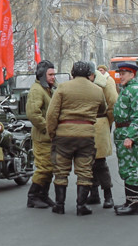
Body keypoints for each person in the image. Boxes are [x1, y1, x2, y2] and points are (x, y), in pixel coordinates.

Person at [45, 61, 107, 216]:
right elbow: (102, 110)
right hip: (86, 135)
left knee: (61, 170)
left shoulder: (63, 88)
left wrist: (52, 133)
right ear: (89, 74)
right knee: (85, 170)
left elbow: (52, 114)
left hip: (64, 135)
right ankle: (81, 206)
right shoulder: (97, 90)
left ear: (72, 73)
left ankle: (59, 205)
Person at [112, 62, 138, 216]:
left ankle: (134, 206)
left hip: (128, 135)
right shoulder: (127, 89)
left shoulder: (136, 90)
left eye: (124, 74)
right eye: (120, 74)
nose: (121, 77)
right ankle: (129, 202)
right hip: (122, 133)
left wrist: (130, 137)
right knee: (126, 170)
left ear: (132, 74)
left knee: (130, 170)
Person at [25, 60, 57, 209]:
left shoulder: (48, 89)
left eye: (54, 74)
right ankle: (32, 197)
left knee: (50, 168)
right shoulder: (37, 90)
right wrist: (47, 128)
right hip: (43, 137)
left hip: (49, 137)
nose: (53, 77)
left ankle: (43, 195)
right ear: (42, 75)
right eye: (50, 74)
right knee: (44, 168)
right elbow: (33, 113)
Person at [89, 62, 117, 209]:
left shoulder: (106, 82)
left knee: (100, 163)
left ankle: (108, 195)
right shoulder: (86, 82)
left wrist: (106, 122)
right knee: (88, 162)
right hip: (86, 126)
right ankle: (94, 194)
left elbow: (113, 103)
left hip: (99, 124)